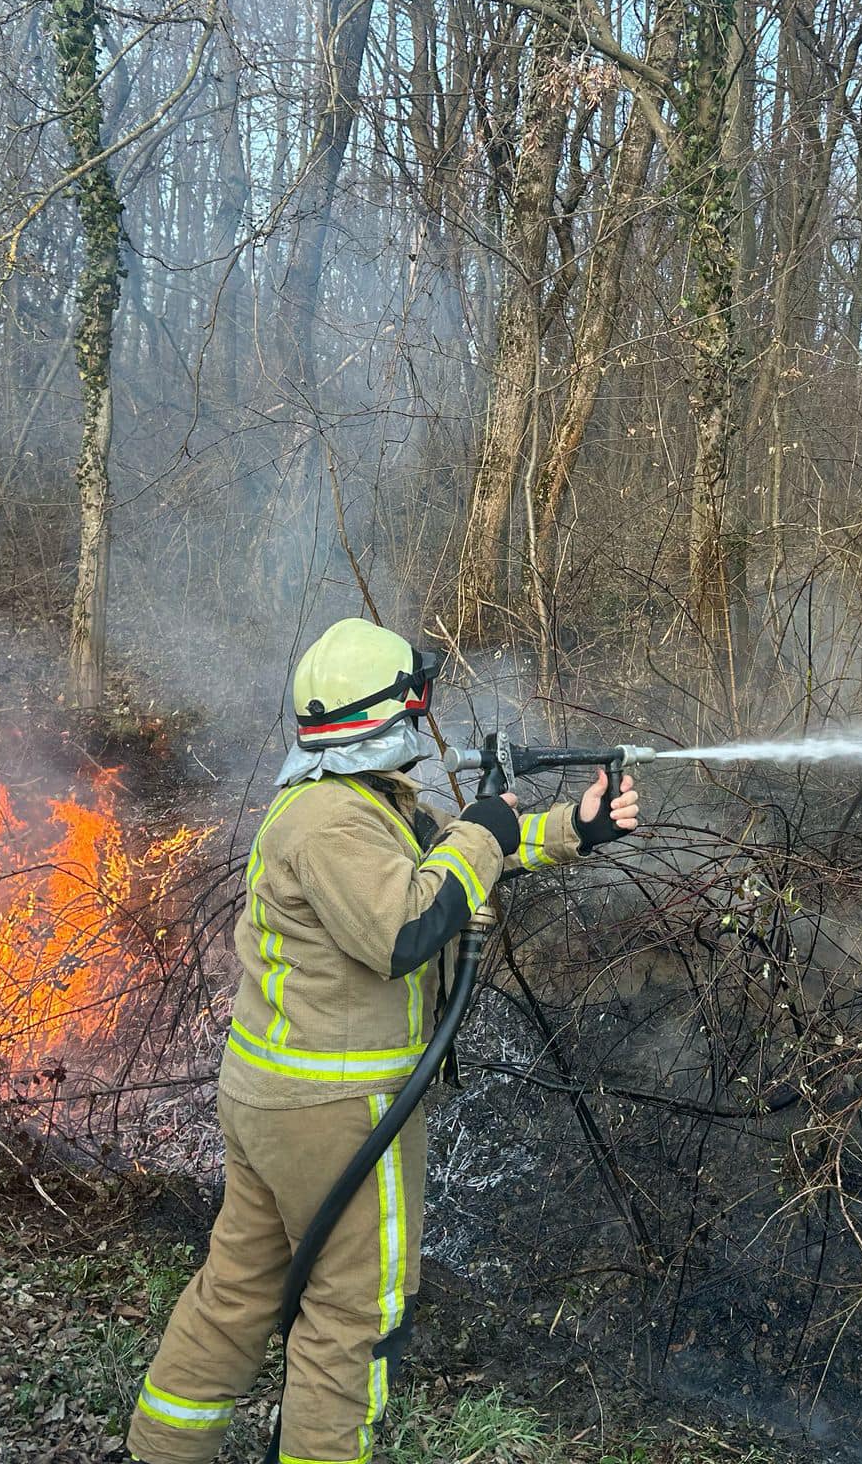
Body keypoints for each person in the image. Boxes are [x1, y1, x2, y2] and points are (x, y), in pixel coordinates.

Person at [126, 618, 641, 1464]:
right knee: (352, 1319)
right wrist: (483, 831)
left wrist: (573, 829)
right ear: (393, 712)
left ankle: (162, 1451)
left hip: (277, 1101)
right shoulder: (333, 824)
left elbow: (450, 859)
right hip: (339, 1111)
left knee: (239, 1290)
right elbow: (406, 926)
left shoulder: (354, 804)